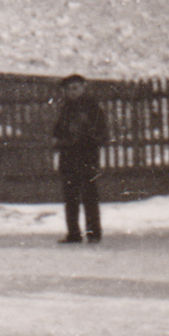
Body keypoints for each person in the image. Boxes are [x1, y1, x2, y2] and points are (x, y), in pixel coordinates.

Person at [52, 74, 107, 244]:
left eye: (76, 88)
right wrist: (59, 139)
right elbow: (58, 130)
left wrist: (84, 139)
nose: (72, 92)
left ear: (84, 88)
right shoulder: (66, 109)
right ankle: (73, 233)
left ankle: (94, 233)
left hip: (86, 157)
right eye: (69, 89)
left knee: (89, 195)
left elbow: (101, 134)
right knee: (71, 197)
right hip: (69, 158)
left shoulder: (93, 109)